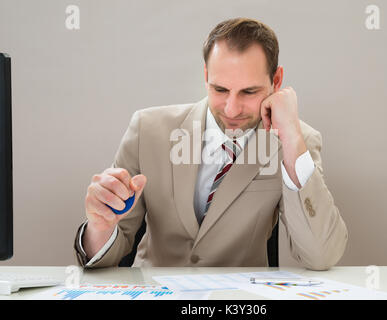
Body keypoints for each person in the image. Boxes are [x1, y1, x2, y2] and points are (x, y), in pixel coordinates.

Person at [74, 17, 348, 270]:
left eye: (249, 92)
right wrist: (100, 226)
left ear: (276, 81)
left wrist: (291, 138)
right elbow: (109, 252)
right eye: (220, 89)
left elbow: (321, 256)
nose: (231, 108)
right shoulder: (148, 130)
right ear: (206, 76)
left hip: (239, 301)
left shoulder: (296, 142)